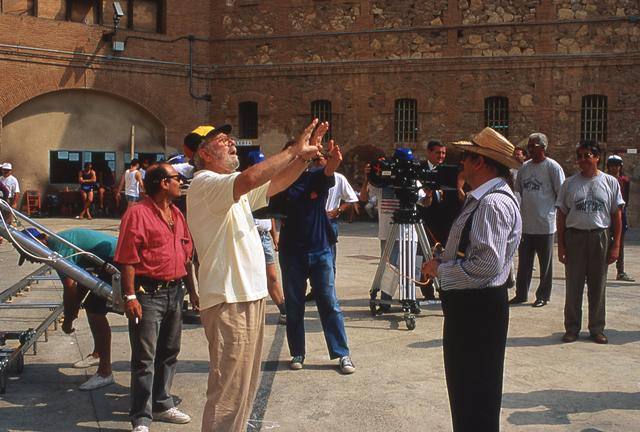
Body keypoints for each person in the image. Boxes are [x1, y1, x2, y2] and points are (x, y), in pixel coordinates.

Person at [187, 120, 325, 432]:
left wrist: (303, 158)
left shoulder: (229, 192)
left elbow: (275, 185)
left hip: (248, 297)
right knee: (227, 393)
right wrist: (292, 150)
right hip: (228, 301)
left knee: (243, 390)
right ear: (205, 154)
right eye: (223, 141)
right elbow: (251, 177)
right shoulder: (206, 183)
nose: (232, 143)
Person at [422, 127, 522, 432]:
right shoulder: (484, 199)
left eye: (466, 156)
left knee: (474, 395)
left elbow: (486, 265)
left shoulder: (491, 204)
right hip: (475, 308)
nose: (461, 162)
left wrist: (440, 271)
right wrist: (444, 260)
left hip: (477, 310)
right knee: (469, 395)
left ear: (480, 163)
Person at [115, 163, 197, 432]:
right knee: (144, 358)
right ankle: (141, 416)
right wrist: (129, 296)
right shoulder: (137, 214)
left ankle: (162, 404)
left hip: (176, 293)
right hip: (147, 295)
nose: (180, 183)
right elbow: (127, 258)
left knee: (169, 352)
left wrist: (193, 291)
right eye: (177, 179)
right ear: (163, 183)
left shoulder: (176, 214)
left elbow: (186, 256)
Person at [278, 137, 355, 374]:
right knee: (294, 305)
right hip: (292, 253)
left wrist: (333, 161)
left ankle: (342, 354)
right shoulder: (280, 184)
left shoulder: (314, 177)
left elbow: (328, 172)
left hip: (320, 250)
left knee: (329, 302)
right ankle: (297, 352)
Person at [20, 227, 117, 390]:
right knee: (92, 306)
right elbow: (85, 281)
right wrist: (71, 313)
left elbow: (70, 287)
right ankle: (97, 354)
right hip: (109, 259)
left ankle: (105, 372)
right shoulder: (58, 243)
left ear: (39, 242)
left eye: (27, 253)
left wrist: (69, 318)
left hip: (114, 258)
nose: (30, 259)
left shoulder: (58, 249)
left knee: (95, 310)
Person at [556, 141, 624, 345]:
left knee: (598, 285)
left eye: (588, 155)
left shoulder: (610, 182)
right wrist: (561, 244)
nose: (583, 160)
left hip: (599, 237)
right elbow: (561, 215)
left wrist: (616, 245)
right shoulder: (569, 184)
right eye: (580, 156)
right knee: (573, 285)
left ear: (597, 158)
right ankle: (572, 328)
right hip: (575, 237)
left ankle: (596, 328)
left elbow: (616, 215)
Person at [509, 133, 565, 307]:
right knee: (524, 262)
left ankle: (543, 295)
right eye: (529, 146)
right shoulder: (525, 168)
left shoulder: (552, 167)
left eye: (533, 146)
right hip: (526, 224)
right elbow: (518, 191)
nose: (530, 149)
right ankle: (521, 293)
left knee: (545, 263)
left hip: (545, 225)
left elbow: (561, 193)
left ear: (543, 147)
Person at [419, 139, 464, 302]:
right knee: (426, 255)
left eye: (443, 153)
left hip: (447, 221)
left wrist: (460, 189)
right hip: (427, 221)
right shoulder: (420, 170)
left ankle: (444, 289)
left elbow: (459, 188)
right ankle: (427, 290)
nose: (441, 156)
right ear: (429, 153)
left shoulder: (451, 171)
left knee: (447, 256)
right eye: (438, 153)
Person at [247, 150, 287, 325]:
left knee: (272, 276)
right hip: (249, 236)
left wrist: (274, 235)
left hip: (264, 237)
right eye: (258, 164)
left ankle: (284, 309)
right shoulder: (244, 186)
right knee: (252, 277)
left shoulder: (267, 186)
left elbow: (269, 213)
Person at [606, 155, 634, 282]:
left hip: (620, 214)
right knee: (604, 242)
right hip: (606, 214)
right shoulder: (604, 179)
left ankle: (620, 271)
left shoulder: (624, 180)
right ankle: (599, 269)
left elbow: (625, 199)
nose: (614, 168)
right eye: (612, 165)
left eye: (616, 165)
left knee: (619, 243)